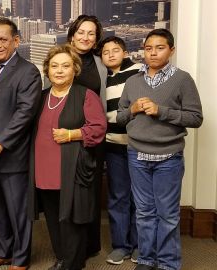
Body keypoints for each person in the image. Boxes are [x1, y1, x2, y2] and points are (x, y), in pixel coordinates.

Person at [117, 29, 203, 270]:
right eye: (148, 48)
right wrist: (133, 109)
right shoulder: (133, 80)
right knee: (144, 213)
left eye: (160, 48)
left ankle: (167, 263)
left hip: (169, 157)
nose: (153, 53)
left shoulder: (182, 79)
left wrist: (161, 111)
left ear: (171, 50)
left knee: (167, 214)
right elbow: (121, 117)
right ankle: (146, 259)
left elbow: (196, 118)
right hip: (137, 155)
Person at [28, 44, 106, 270]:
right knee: (53, 219)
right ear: (47, 70)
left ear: (75, 69)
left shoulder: (86, 95)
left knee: (72, 219)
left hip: (71, 169)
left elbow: (99, 128)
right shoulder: (41, 97)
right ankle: (62, 258)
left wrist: (72, 134)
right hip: (43, 169)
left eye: (65, 66)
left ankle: (72, 264)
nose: (59, 71)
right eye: (54, 66)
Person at [0, 17, 41, 270]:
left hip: (13, 154)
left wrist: (0, 142)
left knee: (18, 212)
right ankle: (2, 252)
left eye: (3, 39)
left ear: (16, 41)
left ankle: (21, 259)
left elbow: (25, 113)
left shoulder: (28, 71)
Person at [66, 14, 107, 257]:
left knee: (90, 191)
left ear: (96, 39)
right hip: (62, 135)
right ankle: (70, 245)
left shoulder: (100, 64)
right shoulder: (60, 58)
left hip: (91, 137)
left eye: (91, 33)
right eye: (81, 32)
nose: (85, 37)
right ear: (72, 34)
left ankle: (90, 245)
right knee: (67, 191)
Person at [99, 36, 142, 265]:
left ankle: (138, 245)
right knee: (118, 196)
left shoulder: (139, 71)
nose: (111, 55)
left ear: (124, 52)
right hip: (114, 146)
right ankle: (120, 246)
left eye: (116, 50)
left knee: (140, 198)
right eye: (106, 52)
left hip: (138, 145)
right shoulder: (102, 77)